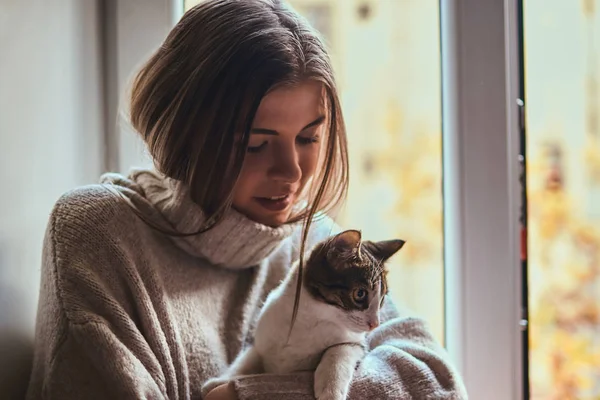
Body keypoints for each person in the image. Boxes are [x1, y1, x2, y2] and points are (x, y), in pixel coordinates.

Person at [26, 0, 468, 399]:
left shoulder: (315, 242)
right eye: (256, 144)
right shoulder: (98, 233)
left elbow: (439, 383)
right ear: (183, 131)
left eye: (309, 138)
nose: (292, 172)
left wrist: (249, 395)